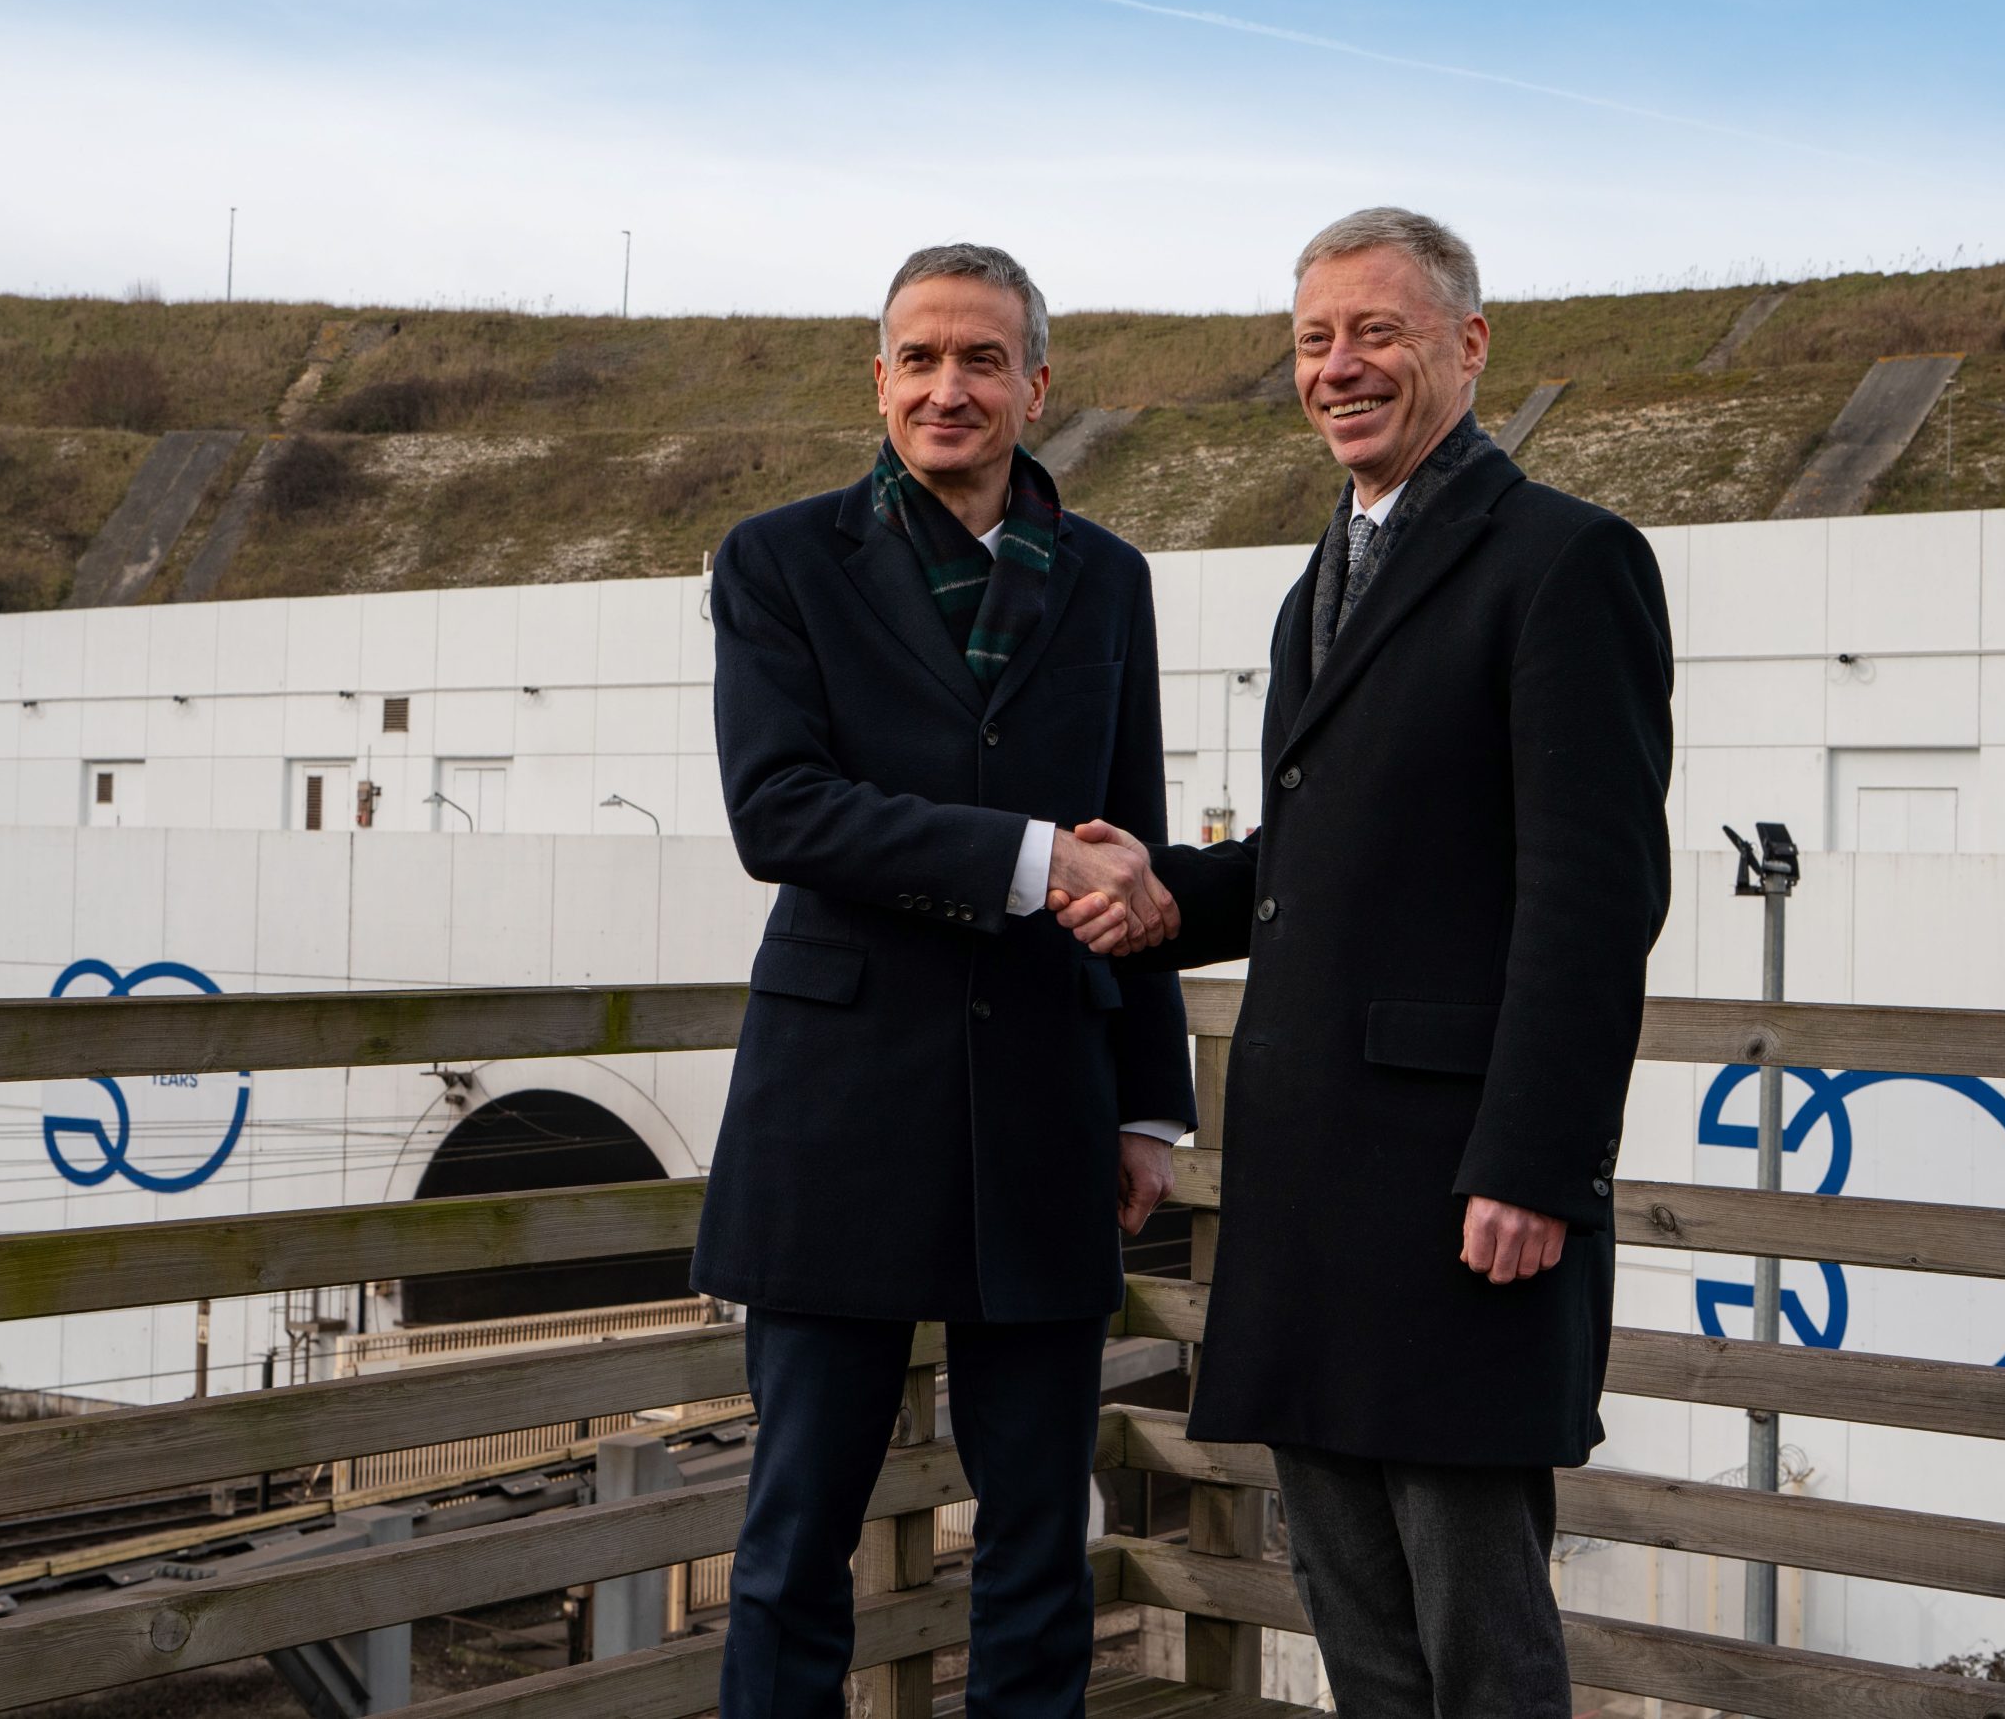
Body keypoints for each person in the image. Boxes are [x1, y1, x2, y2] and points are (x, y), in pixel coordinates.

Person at [1057, 208, 1673, 1717]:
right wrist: (1164, 901)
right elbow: (1317, 859)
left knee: (1477, 1632)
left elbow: (1597, 895)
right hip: (1321, 1185)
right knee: (1360, 1628)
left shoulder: (1567, 561)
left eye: (1378, 331)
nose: (1341, 367)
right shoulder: (1321, 577)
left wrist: (1536, 1162)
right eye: (1316, 339)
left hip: (1464, 1185)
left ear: (1469, 344)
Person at [693, 242, 1194, 1719]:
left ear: (1037, 385)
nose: (948, 386)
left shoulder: (1108, 579)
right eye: (919, 358)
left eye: (982, 359)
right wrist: (1031, 861)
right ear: (880, 381)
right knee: (798, 1532)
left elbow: (1135, 847)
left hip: (1045, 1091)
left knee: (1041, 1531)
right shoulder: (778, 559)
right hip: (838, 1107)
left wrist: (1150, 1101)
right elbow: (777, 810)